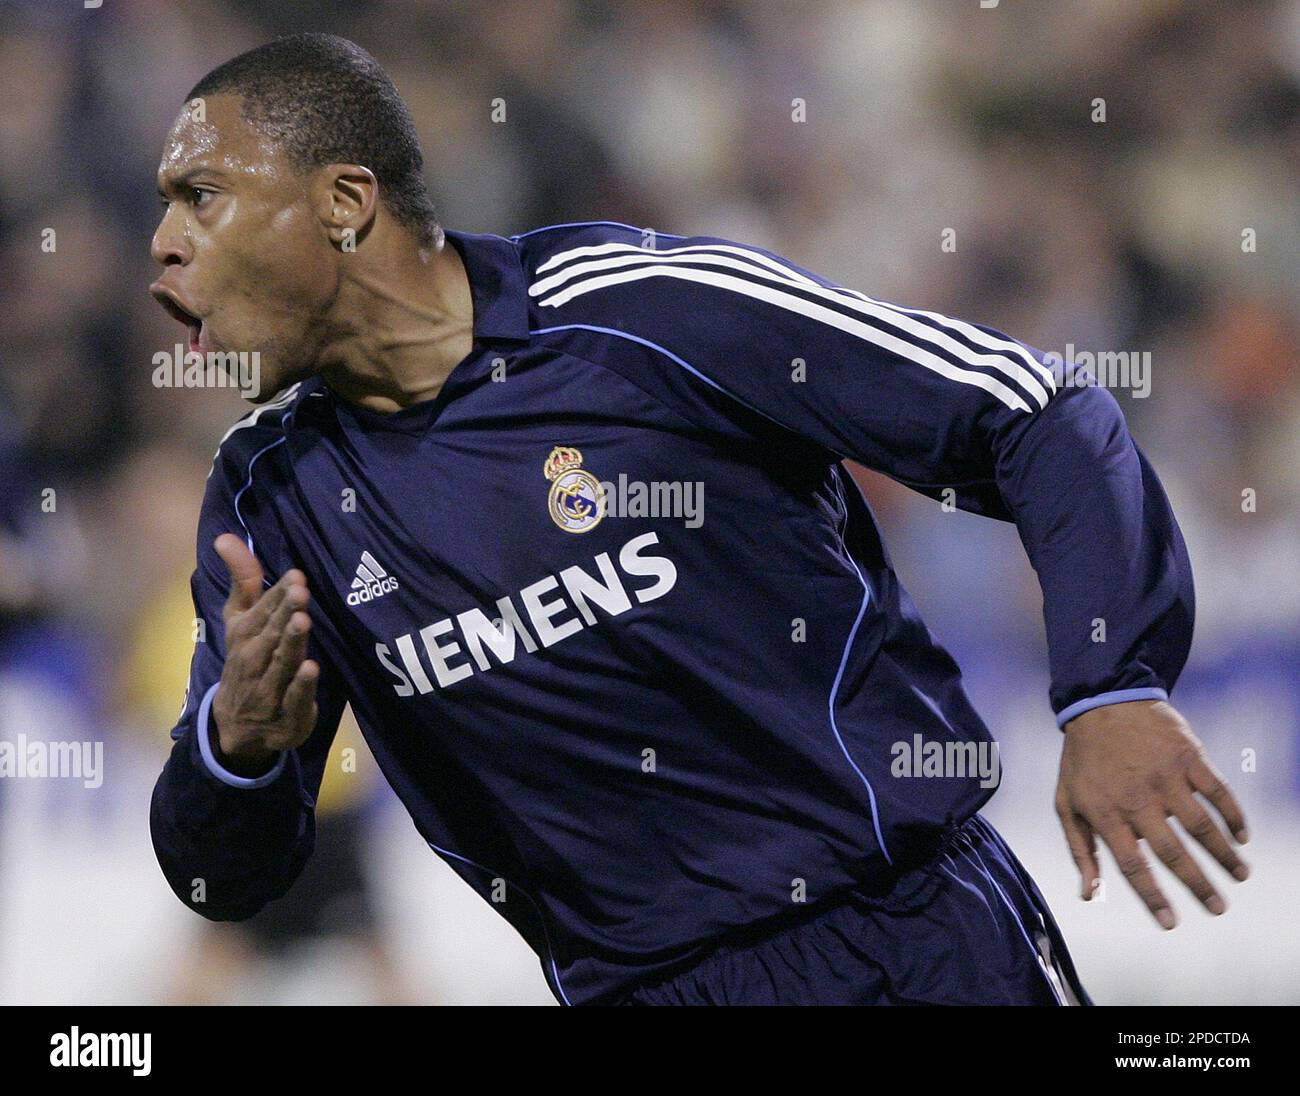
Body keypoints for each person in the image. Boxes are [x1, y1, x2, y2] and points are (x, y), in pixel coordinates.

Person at [148, 33, 1249, 1006]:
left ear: (344, 204)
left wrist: (1111, 683)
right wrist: (234, 751)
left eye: (201, 195)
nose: (162, 241)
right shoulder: (269, 502)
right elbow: (223, 878)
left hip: (909, 943)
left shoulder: (650, 315)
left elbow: (1035, 411)